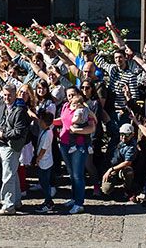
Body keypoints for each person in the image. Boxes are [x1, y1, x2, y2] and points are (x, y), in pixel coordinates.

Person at [56, 85, 95, 214]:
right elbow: (62, 121)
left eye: (73, 94)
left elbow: (92, 127)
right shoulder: (65, 106)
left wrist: (77, 130)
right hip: (64, 143)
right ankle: (74, 198)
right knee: (71, 173)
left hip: (79, 145)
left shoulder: (84, 109)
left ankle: (79, 203)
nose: (70, 97)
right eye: (68, 95)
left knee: (78, 175)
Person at [0, 83, 30, 215]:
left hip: (12, 145)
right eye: (5, 95)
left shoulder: (19, 110)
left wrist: (4, 135)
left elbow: (18, 131)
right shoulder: (4, 104)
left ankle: (8, 205)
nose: (7, 98)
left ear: (15, 95)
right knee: (12, 173)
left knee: (7, 176)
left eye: (10, 95)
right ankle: (17, 201)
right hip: (4, 144)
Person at [100, 122, 140, 200]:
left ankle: (126, 189)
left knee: (128, 170)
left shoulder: (132, 147)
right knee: (106, 190)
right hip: (109, 166)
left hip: (120, 169)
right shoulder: (115, 138)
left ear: (132, 134)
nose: (123, 137)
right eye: (122, 134)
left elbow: (127, 162)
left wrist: (111, 169)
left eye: (127, 135)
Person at [32, 110, 56, 213]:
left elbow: (43, 149)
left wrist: (38, 158)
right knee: (43, 181)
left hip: (45, 161)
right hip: (44, 161)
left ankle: (48, 201)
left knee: (44, 182)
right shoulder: (45, 130)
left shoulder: (48, 133)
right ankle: (48, 200)